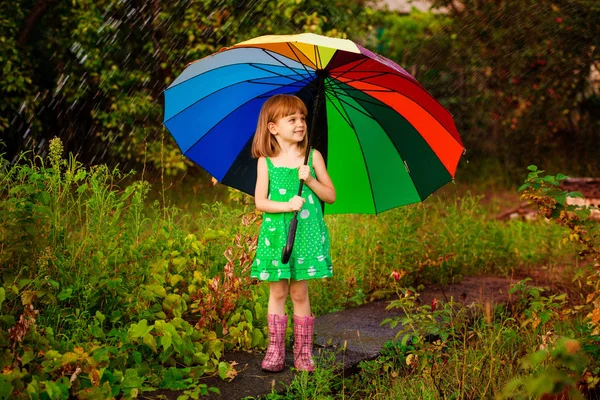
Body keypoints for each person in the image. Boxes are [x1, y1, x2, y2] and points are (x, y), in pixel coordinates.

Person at [249, 94, 336, 372]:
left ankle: (303, 353)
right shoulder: (266, 161)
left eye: (302, 118)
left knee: (300, 293)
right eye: (292, 119)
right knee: (278, 292)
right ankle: (275, 351)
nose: (300, 124)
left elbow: (331, 196)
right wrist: (288, 204)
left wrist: (309, 179)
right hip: (278, 235)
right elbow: (260, 202)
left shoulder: (312, 157)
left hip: (306, 234)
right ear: (273, 127)